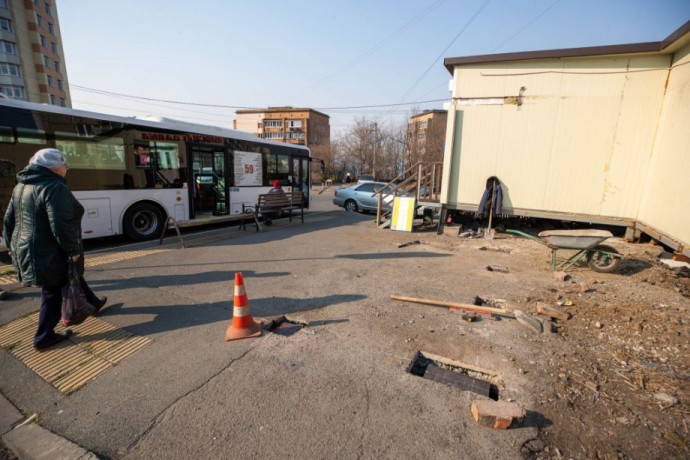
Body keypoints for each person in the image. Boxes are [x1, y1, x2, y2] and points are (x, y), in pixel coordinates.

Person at [3, 148, 107, 351]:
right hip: (47, 249)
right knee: (52, 291)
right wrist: (72, 249)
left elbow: (9, 219)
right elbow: (61, 223)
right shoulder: (53, 186)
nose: (66, 168)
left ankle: (93, 303)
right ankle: (43, 336)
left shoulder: (21, 186)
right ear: (56, 167)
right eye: (65, 165)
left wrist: (11, 245)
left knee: (70, 274)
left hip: (28, 247)